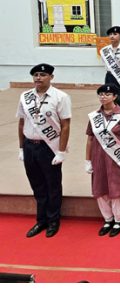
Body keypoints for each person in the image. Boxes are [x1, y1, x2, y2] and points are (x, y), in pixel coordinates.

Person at [17, 64, 72, 238]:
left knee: (53, 185)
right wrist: (21, 148)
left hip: (49, 147)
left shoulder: (61, 97)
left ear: (51, 77)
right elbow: (21, 123)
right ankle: (41, 220)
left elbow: (65, 126)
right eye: (36, 75)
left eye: (42, 75)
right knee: (37, 185)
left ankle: (53, 220)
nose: (38, 78)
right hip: (29, 146)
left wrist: (61, 151)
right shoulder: (25, 97)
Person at [85, 84, 120, 237]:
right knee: (100, 188)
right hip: (98, 157)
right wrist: (87, 160)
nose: (103, 97)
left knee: (116, 189)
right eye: (100, 94)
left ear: (115, 96)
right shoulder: (94, 116)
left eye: (107, 94)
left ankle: (119, 219)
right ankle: (107, 218)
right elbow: (90, 140)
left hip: (116, 159)